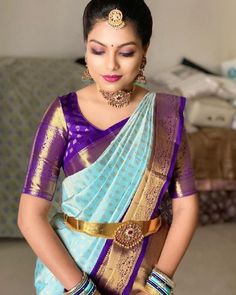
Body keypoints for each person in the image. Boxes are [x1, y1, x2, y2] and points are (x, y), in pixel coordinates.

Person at [18, 0, 199, 294]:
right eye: (98, 50)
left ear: (145, 51)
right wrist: (79, 288)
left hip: (145, 275)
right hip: (73, 275)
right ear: (85, 47)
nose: (110, 64)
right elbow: (30, 216)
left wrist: (160, 282)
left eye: (126, 52)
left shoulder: (164, 116)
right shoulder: (64, 114)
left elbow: (186, 205)